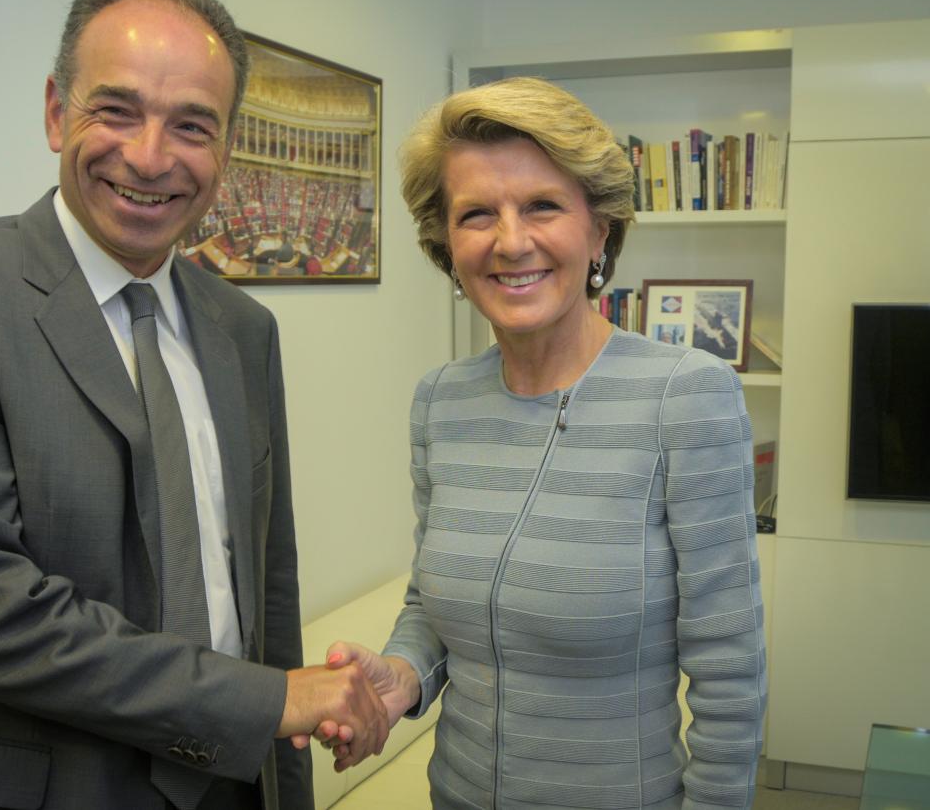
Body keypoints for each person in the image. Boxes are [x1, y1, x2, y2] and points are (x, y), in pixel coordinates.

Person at [0, 0, 386, 810]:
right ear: (56, 111)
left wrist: (284, 775)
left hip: (229, 783)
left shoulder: (243, 329)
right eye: (117, 110)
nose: (149, 156)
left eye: (190, 125)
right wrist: (270, 699)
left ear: (226, 148)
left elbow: (265, 591)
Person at [319, 77, 767, 808]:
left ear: (599, 229)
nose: (510, 240)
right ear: (446, 245)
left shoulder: (688, 396)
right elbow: (435, 601)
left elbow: (731, 669)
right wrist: (403, 673)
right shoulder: (440, 401)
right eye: (475, 214)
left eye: (543, 206)